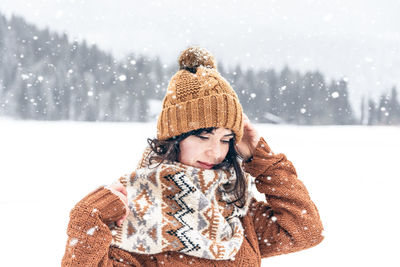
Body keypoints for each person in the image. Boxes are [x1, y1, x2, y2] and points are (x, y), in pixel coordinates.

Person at [62, 47, 324, 266]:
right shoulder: (136, 207)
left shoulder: (233, 204)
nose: (216, 151)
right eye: (203, 136)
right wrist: (88, 218)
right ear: (174, 136)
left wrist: (262, 158)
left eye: (226, 139)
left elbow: (304, 230)